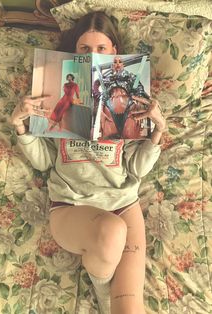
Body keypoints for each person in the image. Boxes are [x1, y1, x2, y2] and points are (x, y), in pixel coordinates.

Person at [11, 11, 166, 314]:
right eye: (85, 49)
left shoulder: (130, 97)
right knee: (112, 231)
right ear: (74, 54)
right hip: (71, 205)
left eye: (101, 49)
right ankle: (101, 286)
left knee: (131, 309)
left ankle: (108, 287)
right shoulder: (55, 93)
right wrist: (21, 126)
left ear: (114, 54)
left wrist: (157, 131)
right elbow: (44, 162)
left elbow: (135, 170)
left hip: (123, 201)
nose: (93, 55)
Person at [92, 56, 150, 139]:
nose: (118, 63)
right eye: (115, 62)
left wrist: (137, 96)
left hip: (129, 107)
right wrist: (99, 95)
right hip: (109, 109)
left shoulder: (131, 77)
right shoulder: (106, 79)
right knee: (109, 136)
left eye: (120, 61)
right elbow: (96, 85)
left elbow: (140, 90)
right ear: (112, 65)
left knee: (130, 135)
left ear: (123, 64)